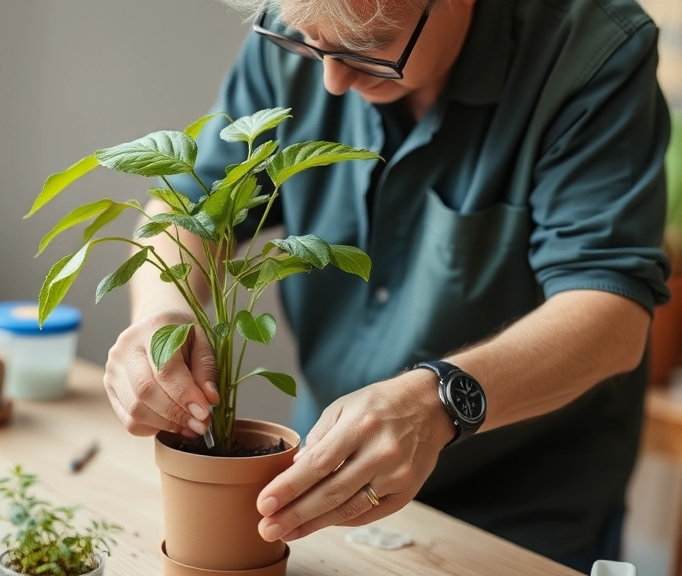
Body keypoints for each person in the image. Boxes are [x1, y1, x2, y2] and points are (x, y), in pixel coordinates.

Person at [101, 0, 672, 571]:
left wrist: (436, 404)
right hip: (328, 482)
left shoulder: (590, 52)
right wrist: (163, 314)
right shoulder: (306, 28)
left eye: (367, 47)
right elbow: (188, 209)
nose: (331, 80)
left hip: (521, 511)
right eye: (306, 41)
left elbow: (612, 312)